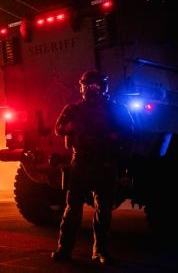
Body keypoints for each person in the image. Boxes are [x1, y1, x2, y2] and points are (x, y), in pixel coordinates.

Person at [51, 70, 134, 264]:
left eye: (95, 86)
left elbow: (129, 134)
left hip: (105, 163)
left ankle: (101, 251)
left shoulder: (116, 109)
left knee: (104, 210)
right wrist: (72, 127)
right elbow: (59, 128)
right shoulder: (73, 109)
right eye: (87, 87)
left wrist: (120, 156)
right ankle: (64, 249)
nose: (90, 91)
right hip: (81, 162)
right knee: (72, 210)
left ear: (103, 88)